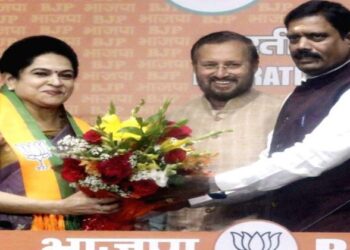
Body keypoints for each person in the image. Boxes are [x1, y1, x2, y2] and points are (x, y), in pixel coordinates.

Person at [152, 0, 350, 232]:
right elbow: (263, 179)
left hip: (336, 232)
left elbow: (313, 157)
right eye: (294, 38)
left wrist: (210, 183)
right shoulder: (299, 94)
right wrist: (186, 201)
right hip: (291, 232)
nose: (301, 46)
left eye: (316, 37)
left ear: (347, 37)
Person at [158, 31, 282, 231]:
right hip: (182, 239)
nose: (221, 73)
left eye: (233, 65)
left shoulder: (282, 113)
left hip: (251, 238)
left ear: (255, 66)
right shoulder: (171, 120)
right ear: (195, 67)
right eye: (210, 65)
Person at [0, 35, 119, 230]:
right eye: (41, 73)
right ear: (10, 80)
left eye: (66, 75)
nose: (56, 82)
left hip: (73, 238)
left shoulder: (86, 132)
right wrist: (59, 207)